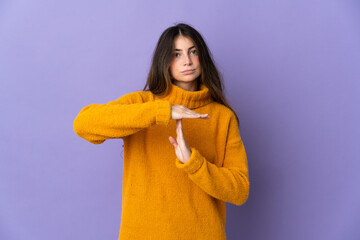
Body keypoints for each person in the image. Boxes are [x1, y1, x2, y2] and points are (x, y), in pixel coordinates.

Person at [73, 23, 249, 240]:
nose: (187, 61)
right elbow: (83, 124)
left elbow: (239, 191)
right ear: (165, 61)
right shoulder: (143, 104)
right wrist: (161, 111)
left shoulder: (222, 117)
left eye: (193, 52)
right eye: (177, 54)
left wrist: (194, 163)